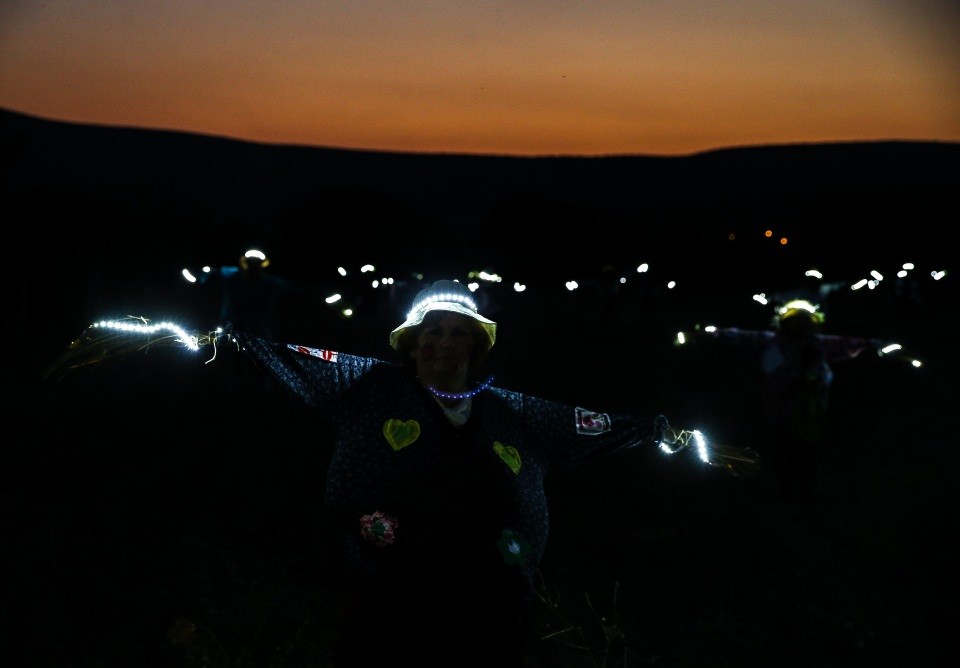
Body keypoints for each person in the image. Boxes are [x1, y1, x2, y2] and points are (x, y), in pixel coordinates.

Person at [45, 279, 756, 667]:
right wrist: (218, 341)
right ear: (412, 343)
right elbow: (286, 353)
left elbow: (592, 423)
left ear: (476, 347)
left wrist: (663, 434)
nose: (445, 342)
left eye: (459, 334)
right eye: (434, 332)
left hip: (490, 601)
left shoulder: (513, 412)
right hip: (388, 592)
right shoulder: (367, 386)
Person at [681, 299, 880, 502]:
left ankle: (805, 491)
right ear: (785, 322)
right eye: (795, 320)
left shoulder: (818, 343)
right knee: (784, 450)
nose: (801, 325)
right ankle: (784, 490)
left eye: (805, 321)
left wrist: (874, 344)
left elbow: (847, 343)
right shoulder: (771, 341)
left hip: (811, 410)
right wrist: (711, 333)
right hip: (779, 409)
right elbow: (741, 336)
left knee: (808, 451)